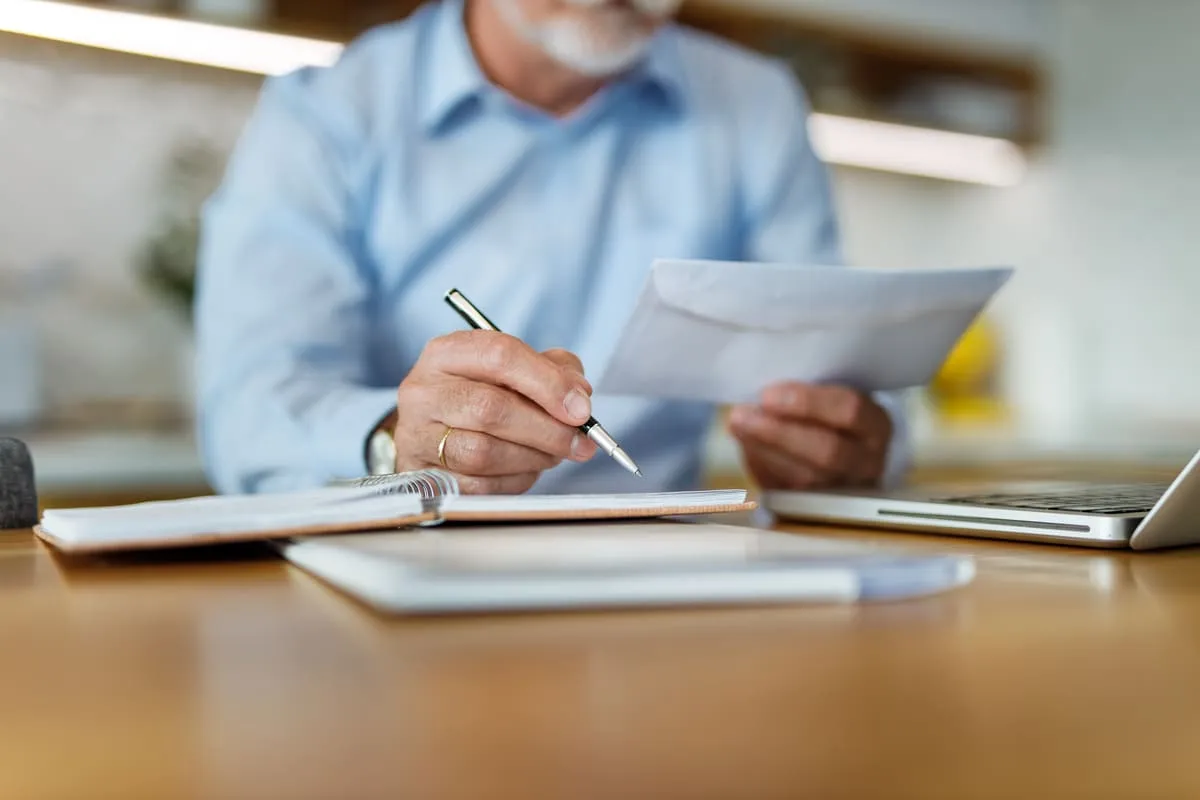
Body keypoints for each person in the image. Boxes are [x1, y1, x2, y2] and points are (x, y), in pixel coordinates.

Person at [195, 0, 909, 496]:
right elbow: (249, 413)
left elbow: (849, 375)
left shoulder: (757, 105)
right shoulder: (325, 115)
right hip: (406, 566)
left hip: (665, 579)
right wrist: (393, 442)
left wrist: (851, 445)